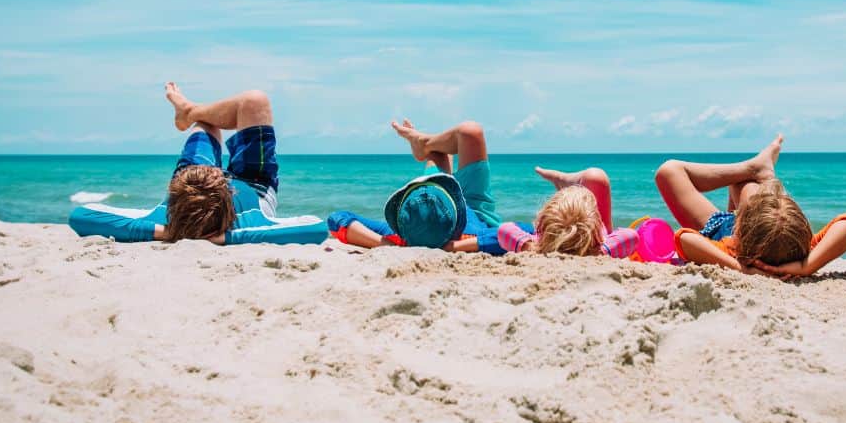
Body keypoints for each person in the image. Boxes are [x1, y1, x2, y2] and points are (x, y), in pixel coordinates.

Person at [69, 84, 328, 245]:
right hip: (254, 183)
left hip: (192, 179)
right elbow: (316, 228)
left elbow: (81, 216)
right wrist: (230, 237)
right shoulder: (250, 221)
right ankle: (190, 111)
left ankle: (189, 111)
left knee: (205, 125)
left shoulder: (163, 215)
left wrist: (166, 232)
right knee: (255, 100)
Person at [654, 134, 846, 277]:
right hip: (765, 232)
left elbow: (683, 238)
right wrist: (806, 267)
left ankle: (753, 168)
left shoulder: (732, 252)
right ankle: (761, 171)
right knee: (750, 190)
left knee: (670, 172)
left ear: (740, 226)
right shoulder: (802, 252)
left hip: (719, 230)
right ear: (802, 231)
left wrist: (740, 268)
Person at [328, 119, 518, 252]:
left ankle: (425, 144)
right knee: (469, 132)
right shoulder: (471, 235)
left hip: (442, 207)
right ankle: (424, 143)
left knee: (444, 151)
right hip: (475, 210)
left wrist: (386, 245)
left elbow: (338, 219)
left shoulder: (400, 235)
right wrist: (455, 247)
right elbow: (524, 233)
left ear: (401, 221)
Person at [494, 166, 639, 258]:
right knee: (597, 178)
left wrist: (528, 246)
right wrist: (600, 250)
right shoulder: (601, 246)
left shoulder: (537, 245)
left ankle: (566, 184)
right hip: (591, 242)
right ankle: (568, 183)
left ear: (541, 224)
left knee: (596, 178)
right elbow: (632, 236)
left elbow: (504, 229)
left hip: (567, 240)